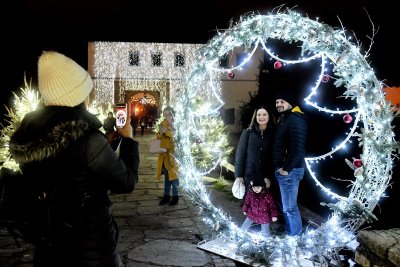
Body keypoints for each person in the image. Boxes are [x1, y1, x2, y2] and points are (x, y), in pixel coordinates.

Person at [8, 51, 140, 267]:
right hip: (90, 248)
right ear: (75, 95)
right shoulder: (87, 140)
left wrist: (105, 143)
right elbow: (126, 182)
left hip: (49, 246)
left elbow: (70, 167)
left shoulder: (30, 135)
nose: (89, 97)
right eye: (86, 91)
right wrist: (128, 141)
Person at [272, 90, 308, 236]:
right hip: (284, 171)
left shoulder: (295, 119)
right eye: (277, 102)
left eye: (282, 101)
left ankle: (295, 239)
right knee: (286, 208)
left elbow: (298, 148)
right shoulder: (285, 118)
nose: (279, 104)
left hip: (290, 171)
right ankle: (289, 234)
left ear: (290, 103)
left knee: (290, 208)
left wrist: (285, 169)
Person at [234, 105, 275, 202]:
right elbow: (240, 155)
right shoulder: (247, 132)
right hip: (249, 176)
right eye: (259, 115)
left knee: (264, 208)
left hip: (265, 177)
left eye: (264, 114)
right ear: (255, 117)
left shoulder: (273, 134)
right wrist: (239, 176)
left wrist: (268, 176)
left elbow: (273, 157)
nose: (261, 117)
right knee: (249, 206)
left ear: (269, 116)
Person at [156, 106, 179, 205]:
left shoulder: (176, 124)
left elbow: (176, 137)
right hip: (164, 154)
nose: (165, 117)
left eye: (167, 115)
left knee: (174, 178)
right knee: (166, 177)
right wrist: (160, 133)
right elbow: (157, 137)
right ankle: (166, 196)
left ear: (172, 114)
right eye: (164, 115)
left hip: (174, 155)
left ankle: (175, 197)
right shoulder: (163, 123)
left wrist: (167, 132)